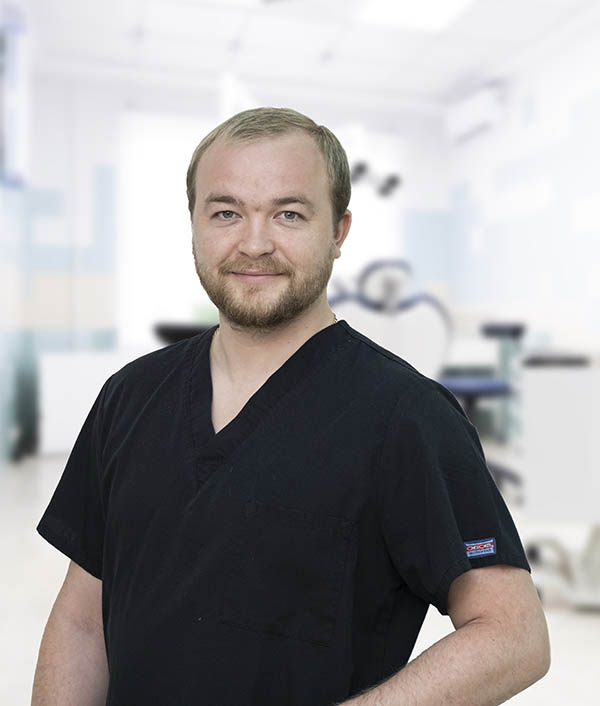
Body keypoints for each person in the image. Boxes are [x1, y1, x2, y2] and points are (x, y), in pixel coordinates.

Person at [32, 106, 550, 706]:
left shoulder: (405, 416)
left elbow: (513, 636)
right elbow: (82, 622)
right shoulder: (129, 396)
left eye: (289, 214)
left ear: (338, 232)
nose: (254, 244)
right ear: (194, 225)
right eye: (226, 213)